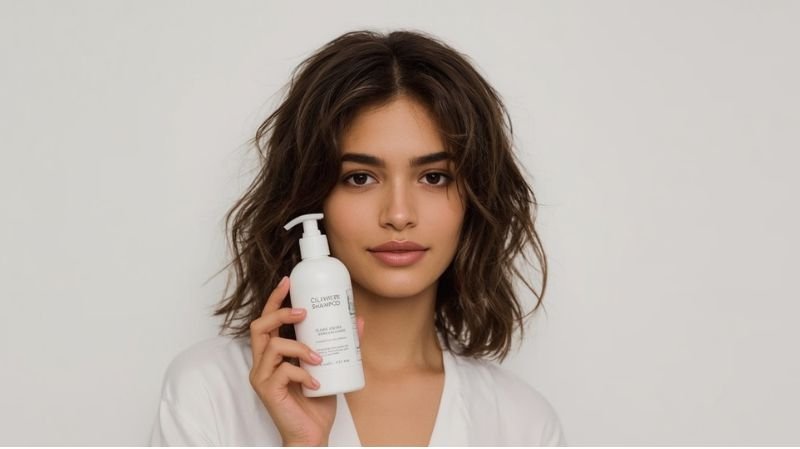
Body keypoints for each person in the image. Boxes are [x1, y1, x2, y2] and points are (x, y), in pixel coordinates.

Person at [149, 29, 566, 446]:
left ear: (475, 199)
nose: (399, 215)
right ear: (313, 196)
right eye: (360, 178)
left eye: (434, 177)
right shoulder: (211, 392)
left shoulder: (521, 423)